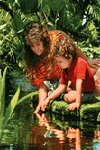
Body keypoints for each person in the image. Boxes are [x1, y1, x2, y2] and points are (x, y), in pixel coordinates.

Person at [24, 22, 100, 113]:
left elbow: (73, 48)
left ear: (43, 40)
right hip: (61, 83)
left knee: (97, 73)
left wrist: (88, 60)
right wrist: (42, 102)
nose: (36, 49)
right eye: (32, 46)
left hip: (73, 72)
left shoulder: (56, 38)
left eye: (38, 44)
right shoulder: (34, 61)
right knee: (74, 92)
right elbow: (42, 84)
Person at [42, 44, 96, 111]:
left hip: (88, 94)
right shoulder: (66, 69)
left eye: (60, 61)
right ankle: (59, 95)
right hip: (77, 91)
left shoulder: (80, 63)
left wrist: (77, 103)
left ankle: (62, 96)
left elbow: (79, 83)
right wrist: (48, 99)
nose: (58, 64)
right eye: (57, 62)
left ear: (69, 57)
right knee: (53, 93)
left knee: (69, 97)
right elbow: (62, 87)